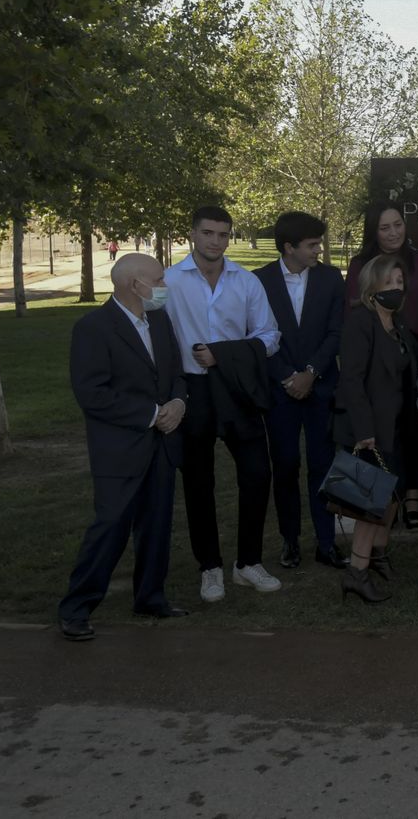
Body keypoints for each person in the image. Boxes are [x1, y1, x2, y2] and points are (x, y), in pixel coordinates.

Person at [58, 254, 188, 641]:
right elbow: (92, 393)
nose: (165, 287)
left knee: (157, 525)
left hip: (161, 445)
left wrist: (179, 403)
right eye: (159, 280)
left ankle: (150, 597)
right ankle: (76, 608)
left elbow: (176, 374)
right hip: (119, 449)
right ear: (135, 285)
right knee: (110, 527)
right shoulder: (93, 328)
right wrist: (151, 413)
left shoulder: (160, 320)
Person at [164, 205, 282, 603]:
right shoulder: (171, 282)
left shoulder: (245, 282)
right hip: (193, 392)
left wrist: (224, 355)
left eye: (223, 234)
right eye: (208, 233)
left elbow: (269, 336)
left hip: (237, 389)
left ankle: (247, 563)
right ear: (193, 234)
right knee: (199, 483)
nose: (216, 241)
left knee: (256, 473)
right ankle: (210, 567)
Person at [254, 211, 347, 571]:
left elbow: (335, 332)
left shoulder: (330, 278)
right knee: (286, 465)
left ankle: (326, 542)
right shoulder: (258, 282)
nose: (318, 250)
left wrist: (311, 373)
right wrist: (288, 377)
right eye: (311, 245)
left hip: (321, 388)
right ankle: (290, 541)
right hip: (280, 393)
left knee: (324, 467)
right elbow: (257, 335)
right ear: (289, 247)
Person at [334, 254, 418, 602]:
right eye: (389, 284)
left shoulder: (397, 324)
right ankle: (356, 572)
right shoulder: (361, 322)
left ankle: (377, 556)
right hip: (368, 430)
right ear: (372, 288)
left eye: (400, 283)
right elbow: (351, 380)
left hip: (396, 426)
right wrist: (364, 430)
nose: (396, 289)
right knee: (368, 506)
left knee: (389, 500)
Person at [346, 200, 418, 529]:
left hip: (414, 350)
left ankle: (410, 498)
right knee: (383, 430)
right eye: (385, 227)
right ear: (374, 231)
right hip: (375, 354)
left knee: (413, 426)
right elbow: (352, 312)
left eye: (398, 224)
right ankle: (377, 508)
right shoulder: (361, 265)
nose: (393, 232)